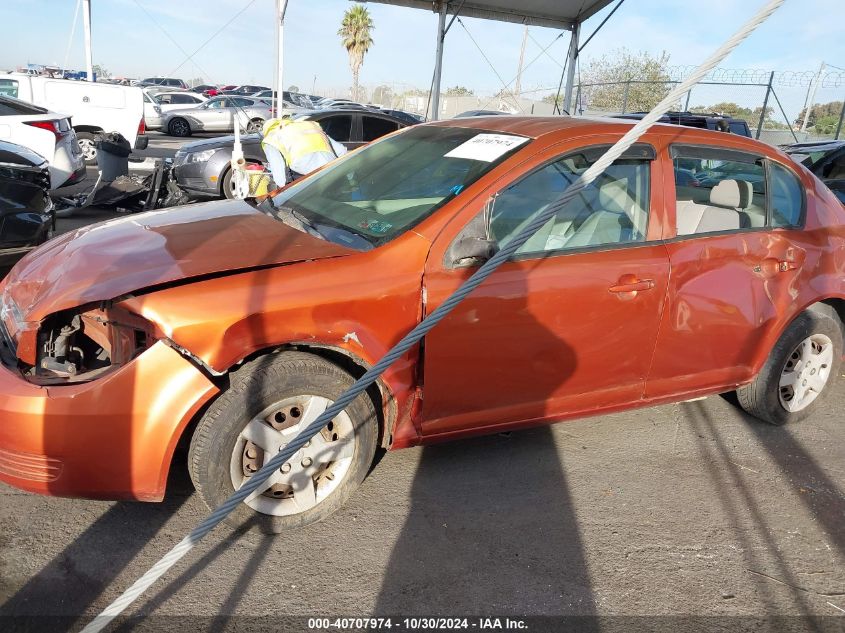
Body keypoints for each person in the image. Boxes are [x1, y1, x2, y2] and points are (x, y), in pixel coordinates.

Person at [260, 118, 347, 187]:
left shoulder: (271, 139)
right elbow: (342, 151)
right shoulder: (308, 126)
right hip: (332, 172)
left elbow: (280, 176)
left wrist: (282, 194)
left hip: (307, 180)